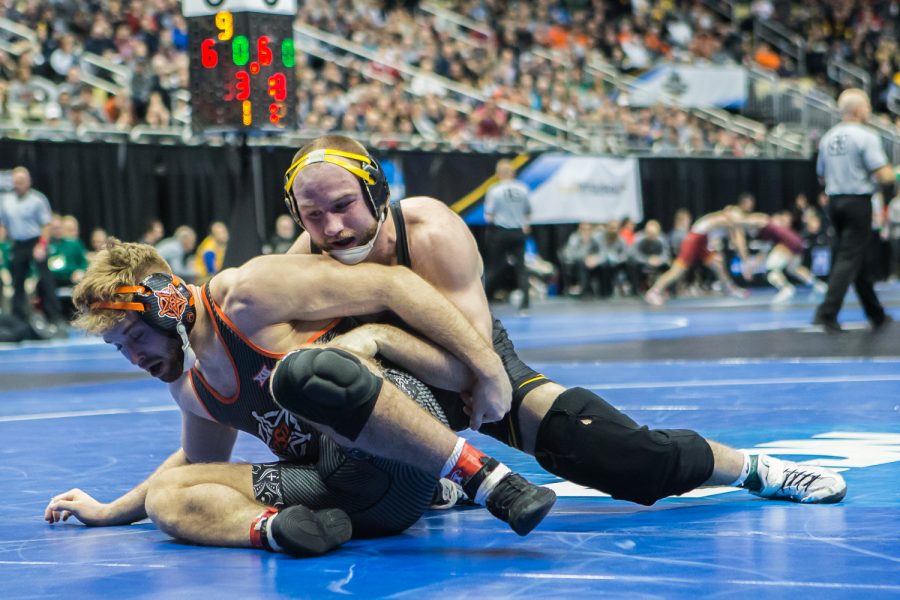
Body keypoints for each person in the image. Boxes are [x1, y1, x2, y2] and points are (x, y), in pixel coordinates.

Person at [284, 135, 847, 509]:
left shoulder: (428, 232)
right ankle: (429, 479)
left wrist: (379, 335)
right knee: (314, 421)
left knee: (616, 454)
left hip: (473, 365)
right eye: (314, 215)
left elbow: (475, 365)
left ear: (376, 191)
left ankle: (757, 469)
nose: (331, 228)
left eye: (343, 206)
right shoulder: (300, 263)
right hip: (394, 388)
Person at [46, 239, 555, 556]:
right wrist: (110, 510)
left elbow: (394, 285)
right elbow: (199, 463)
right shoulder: (191, 387)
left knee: (301, 373)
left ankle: (486, 479)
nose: (134, 358)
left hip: (403, 437)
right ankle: (286, 531)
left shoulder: (247, 294)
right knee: (168, 494)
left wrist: (487, 366)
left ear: (165, 304)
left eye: (134, 338)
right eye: (120, 349)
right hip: (347, 498)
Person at [812, 89, 896, 333]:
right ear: (859, 110)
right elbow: (883, 173)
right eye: (868, 106)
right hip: (857, 201)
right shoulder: (865, 136)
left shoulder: (828, 137)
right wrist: (895, 173)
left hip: (835, 201)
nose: (870, 110)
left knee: (856, 257)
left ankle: (875, 313)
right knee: (849, 257)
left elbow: (820, 175)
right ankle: (826, 313)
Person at [644, 206, 752, 306]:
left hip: (702, 241)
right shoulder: (722, 219)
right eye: (738, 216)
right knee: (677, 271)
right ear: (729, 214)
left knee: (717, 263)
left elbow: (737, 239)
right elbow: (738, 239)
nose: (739, 219)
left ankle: (728, 288)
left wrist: (745, 261)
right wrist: (746, 263)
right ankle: (653, 292)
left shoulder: (729, 222)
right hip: (694, 240)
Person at [0, 166, 66, 328]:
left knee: (45, 279)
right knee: (17, 282)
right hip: (18, 244)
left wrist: (41, 246)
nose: (18, 184)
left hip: (35, 242)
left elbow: (46, 225)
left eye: (21, 181)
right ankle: (18, 320)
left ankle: (55, 317)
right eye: (16, 181)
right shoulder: (6, 200)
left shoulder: (38, 199)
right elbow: (3, 225)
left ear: (28, 182)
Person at [740, 211, 828, 303]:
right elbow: (763, 253)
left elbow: (755, 220)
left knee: (771, 270)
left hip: (788, 244)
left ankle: (785, 288)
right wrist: (751, 267)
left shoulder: (764, 223)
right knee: (793, 269)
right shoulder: (768, 233)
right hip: (798, 243)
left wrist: (738, 221)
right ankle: (819, 285)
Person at [483, 158, 532, 312]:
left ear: (498, 174)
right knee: (521, 268)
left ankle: (484, 300)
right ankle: (525, 305)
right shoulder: (523, 189)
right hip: (518, 231)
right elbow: (528, 212)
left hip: (501, 231)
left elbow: (489, 215)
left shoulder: (494, 190)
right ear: (513, 173)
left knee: (494, 267)